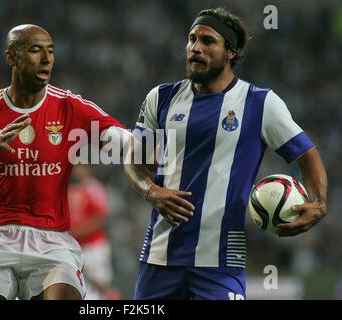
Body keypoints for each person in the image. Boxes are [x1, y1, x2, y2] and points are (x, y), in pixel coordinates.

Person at [124, 8, 328, 300]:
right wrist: (151, 191)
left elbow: (308, 155)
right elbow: (133, 162)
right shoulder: (161, 97)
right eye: (192, 39)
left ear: (231, 52)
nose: (195, 48)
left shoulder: (260, 103)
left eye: (207, 41)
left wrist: (319, 204)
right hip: (160, 258)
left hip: (220, 264)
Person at [0, 24, 125, 300]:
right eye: (35, 50)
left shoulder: (70, 106)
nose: (46, 59)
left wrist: (145, 152)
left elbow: (122, 138)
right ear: (11, 57)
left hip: (52, 240)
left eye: (50, 51)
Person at [68, 164, 121, 300]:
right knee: (83, 288)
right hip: (77, 247)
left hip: (94, 246)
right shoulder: (73, 188)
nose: (77, 170)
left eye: (81, 166)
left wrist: (78, 231)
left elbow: (101, 218)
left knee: (97, 288)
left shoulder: (94, 188)